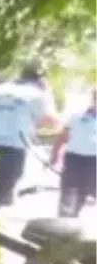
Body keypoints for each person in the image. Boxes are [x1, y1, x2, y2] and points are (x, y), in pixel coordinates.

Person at [0, 65, 59, 221]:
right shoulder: (37, 94)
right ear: (41, 80)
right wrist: (48, 94)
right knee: (0, 192)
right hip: (13, 148)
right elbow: (53, 123)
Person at [50, 87, 97, 218]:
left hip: (94, 161)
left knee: (87, 191)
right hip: (74, 158)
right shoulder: (77, 117)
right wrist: (55, 154)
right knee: (69, 191)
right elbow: (62, 137)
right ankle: (64, 221)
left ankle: (75, 219)